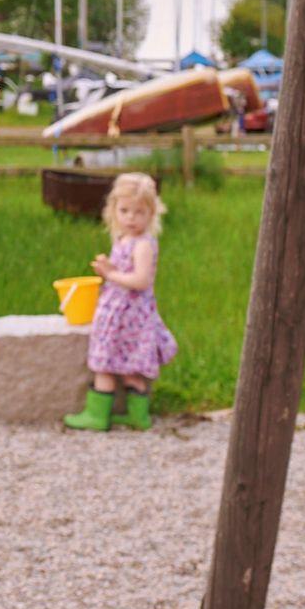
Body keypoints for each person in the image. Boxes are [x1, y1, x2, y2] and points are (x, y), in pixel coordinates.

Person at [63, 172, 175, 432]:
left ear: (152, 213)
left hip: (128, 315)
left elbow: (141, 280)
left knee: (105, 363)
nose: (131, 218)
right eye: (124, 211)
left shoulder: (143, 245)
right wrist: (110, 267)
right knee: (126, 364)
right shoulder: (124, 239)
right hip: (119, 311)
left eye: (139, 212)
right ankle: (137, 416)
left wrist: (110, 275)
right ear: (113, 210)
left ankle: (98, 416)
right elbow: (125, 271)